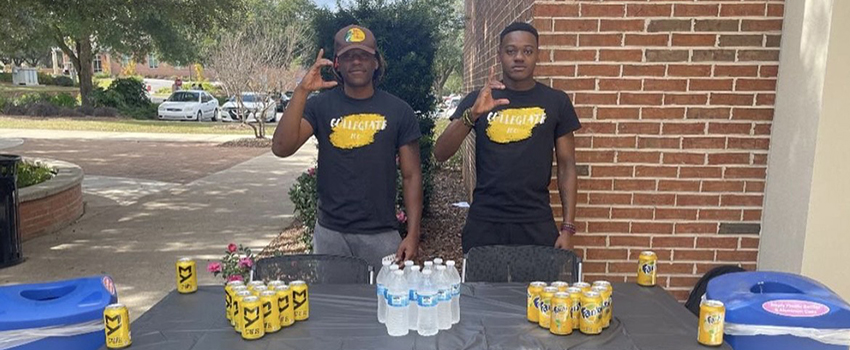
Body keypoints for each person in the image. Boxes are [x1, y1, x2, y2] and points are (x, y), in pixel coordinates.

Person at [272, 25, 423, 269]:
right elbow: (281, 147)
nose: (356, 62)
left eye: (363, 55)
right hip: (331, 233)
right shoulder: (320, 106)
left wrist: (413, 234)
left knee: (385, 304)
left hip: (382, 234)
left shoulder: (398, 111)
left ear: (376, 63)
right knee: (334, 306)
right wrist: (302, 91)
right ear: (337, 65)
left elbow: (412, 175)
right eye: (348, 56)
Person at [433, 22, 581, 254]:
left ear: (537, 55)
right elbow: (440, 153)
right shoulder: (479, 99)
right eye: (511, 51)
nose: (519, 57)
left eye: (527, 51)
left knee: (536, 290)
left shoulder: (556, 101)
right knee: (482, 291)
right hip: (485, 221)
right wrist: (472, 114)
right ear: (500, 54)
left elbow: (567, 165)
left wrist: (567, 228)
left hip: (536, 221)